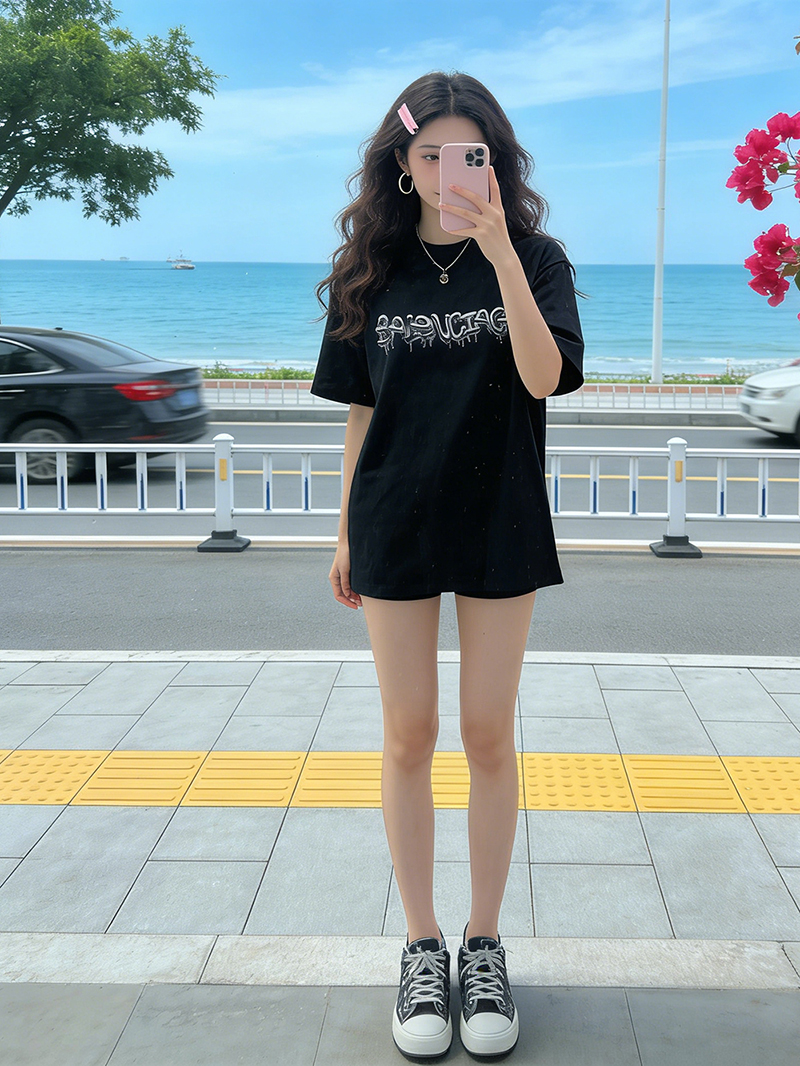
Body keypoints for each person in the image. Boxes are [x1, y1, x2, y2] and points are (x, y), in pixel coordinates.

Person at [310, 71, 584, 1061]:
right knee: (407, 734)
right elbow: (362, 408)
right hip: (393, 516)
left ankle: (484, 941)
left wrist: (500, 250)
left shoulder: (536, 258)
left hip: (499, 514)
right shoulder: (371, 269)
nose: (445, 171)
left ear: (494, 161)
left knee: (486, 735)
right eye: (428, 154)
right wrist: (345, 529)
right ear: (400, 162)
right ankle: (422, 944)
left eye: (467, 154)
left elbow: (543, 377)